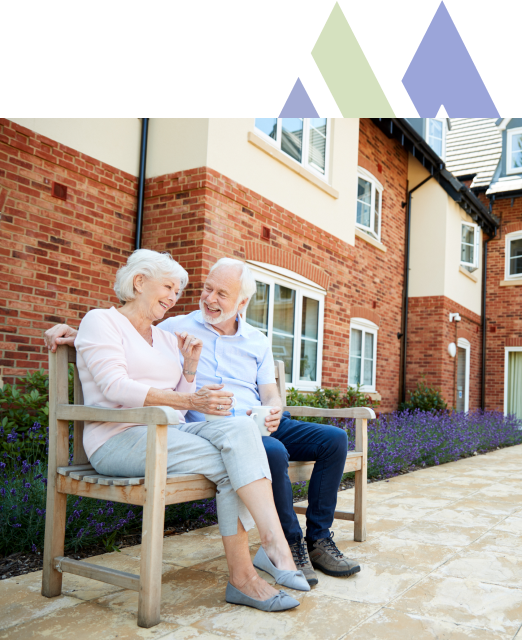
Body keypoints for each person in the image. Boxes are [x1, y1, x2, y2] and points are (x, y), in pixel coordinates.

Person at [45, 257, 361, 587]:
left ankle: (318, 540)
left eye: (221, 294)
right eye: (206, 289)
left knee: (334, 439)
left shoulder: (252, 339)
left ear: (242, 302)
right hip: (199, 428)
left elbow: (269, 393)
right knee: (269, 451)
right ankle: (287, 545)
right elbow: (124, 336)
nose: (209, 299)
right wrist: (78, 333)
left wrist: (272, 410)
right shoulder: (175, 326)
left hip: (253, 421)